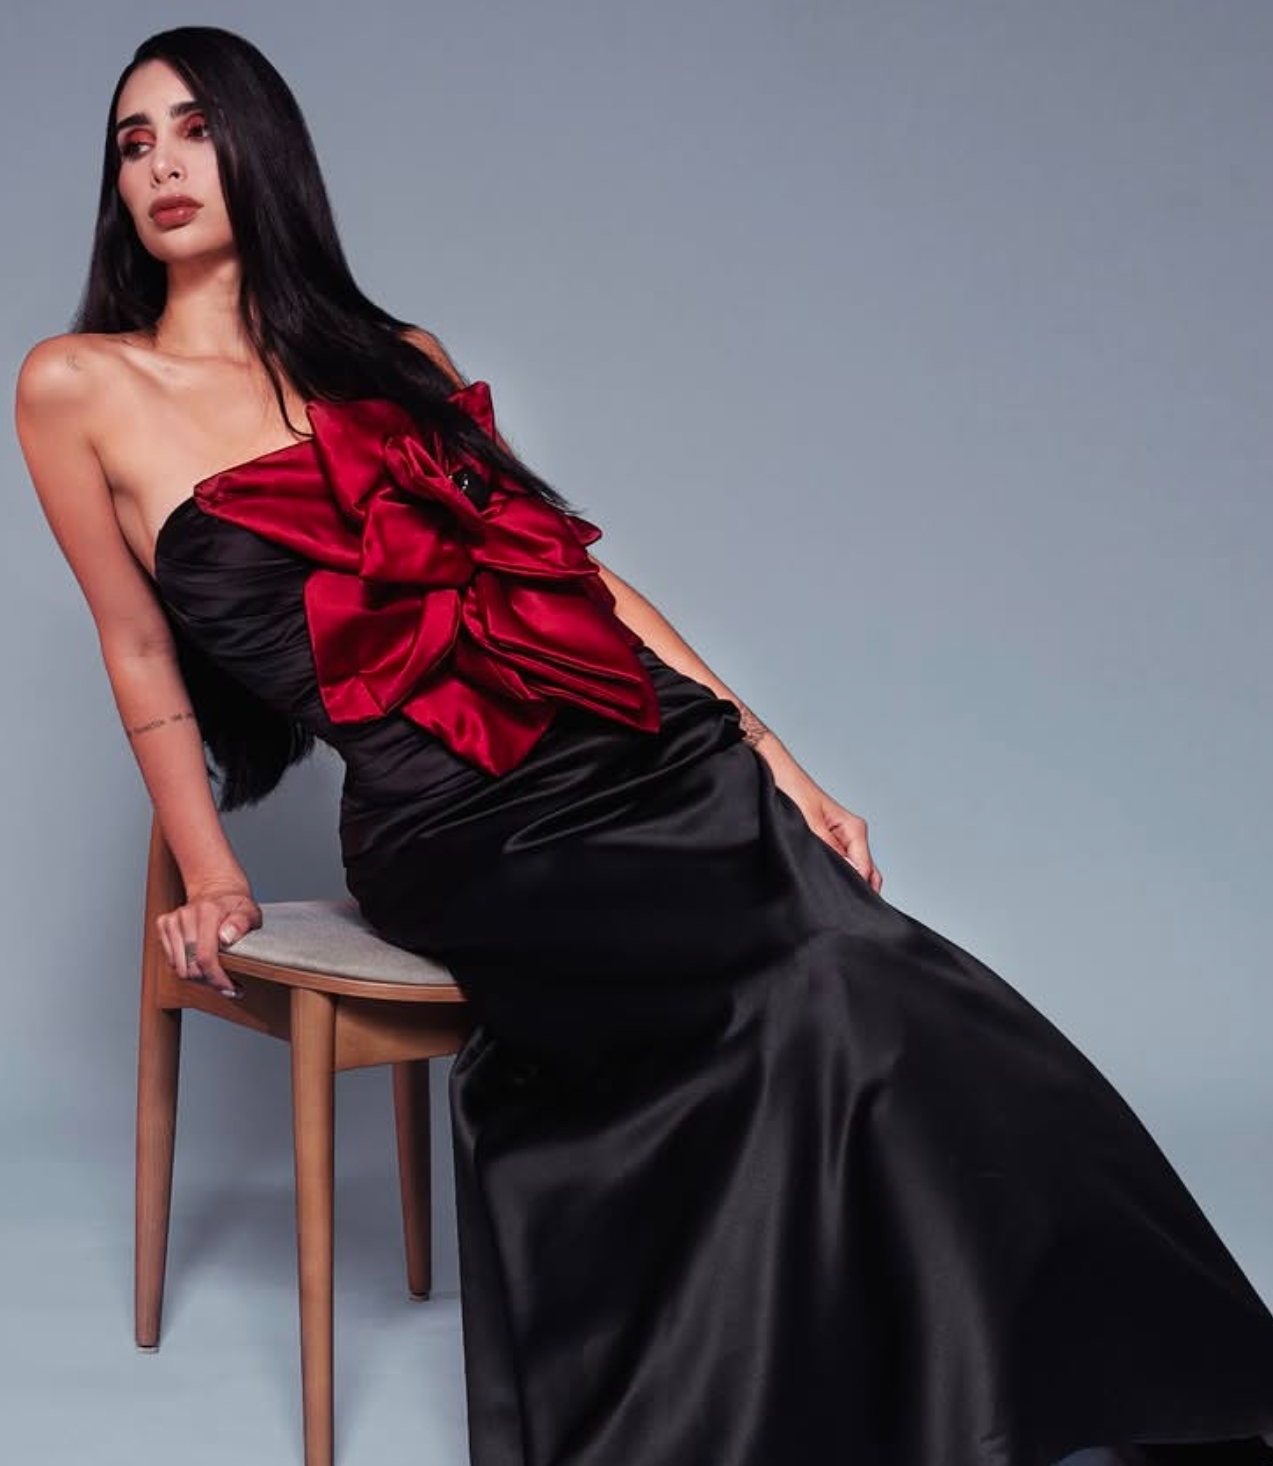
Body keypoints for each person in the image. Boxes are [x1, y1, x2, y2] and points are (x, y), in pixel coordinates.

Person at [14, 25, 1273, 1466]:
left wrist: (777, 754)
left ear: (263, 151)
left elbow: (580, 580)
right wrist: (213, 870)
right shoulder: (78, 386)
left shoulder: (396, 362)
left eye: (193, 128)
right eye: (133, 143)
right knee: (801, 996)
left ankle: (1120, 1386)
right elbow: (136, 647)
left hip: (641, 749)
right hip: (458, 820)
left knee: (880, 984)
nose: (162, 166)